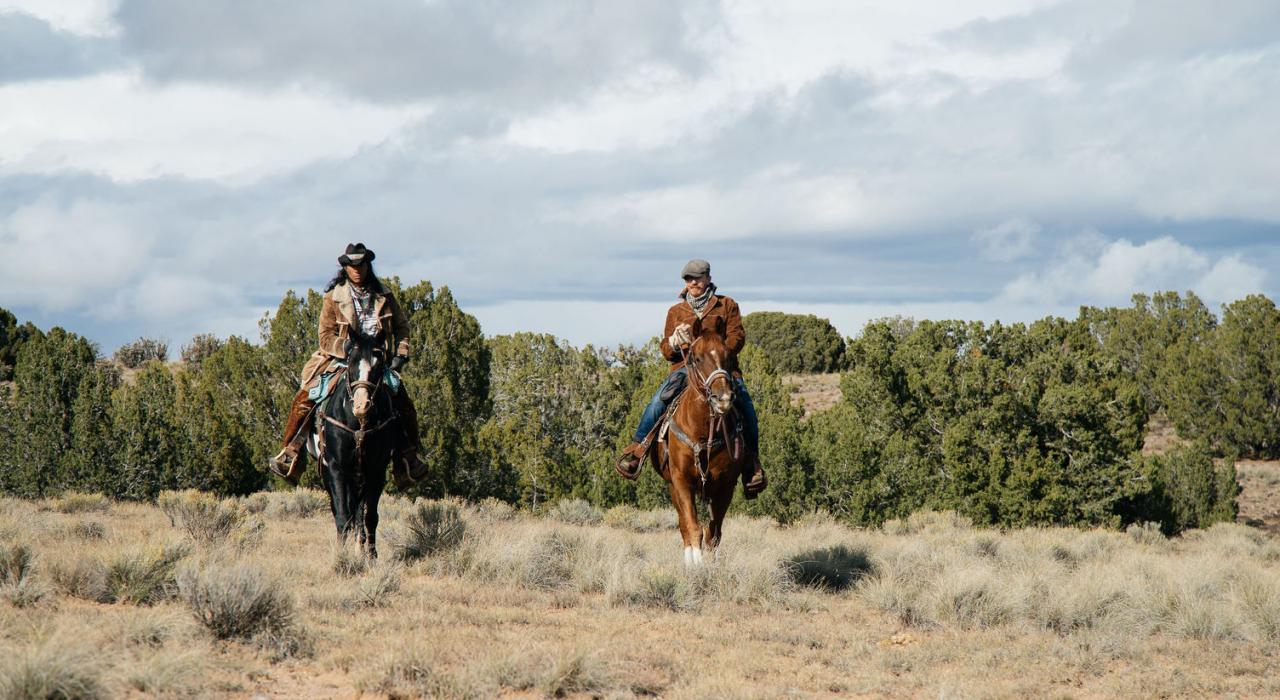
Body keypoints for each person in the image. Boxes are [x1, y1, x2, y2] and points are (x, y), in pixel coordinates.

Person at [268, 243, 429, 489]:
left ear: (367, 265)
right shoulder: (334, 297)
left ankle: (407, 460)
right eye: (351, 265)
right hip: (339, 359)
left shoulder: (385, 296)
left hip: (376, 361)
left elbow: (402, 327)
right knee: (306, 397)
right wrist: (346, 349)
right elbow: (325, 336)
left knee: (403, 404)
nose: (356, 269)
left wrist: (401, 354)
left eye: (360, 264)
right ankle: (291, 452)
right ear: (345, 267)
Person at [616, 259, 767, 497]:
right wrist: (674, 342)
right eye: (688, 279)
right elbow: (666, 350)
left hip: (721, 369)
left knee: (746, 406)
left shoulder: (727, 305)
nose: (693, 283)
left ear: (708, 278)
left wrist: (713, 351)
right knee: (657, 401)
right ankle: (638, 450)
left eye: (697, 278)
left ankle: (752, 464)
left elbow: (738, 337)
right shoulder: (676, 312)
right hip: (685, 371)